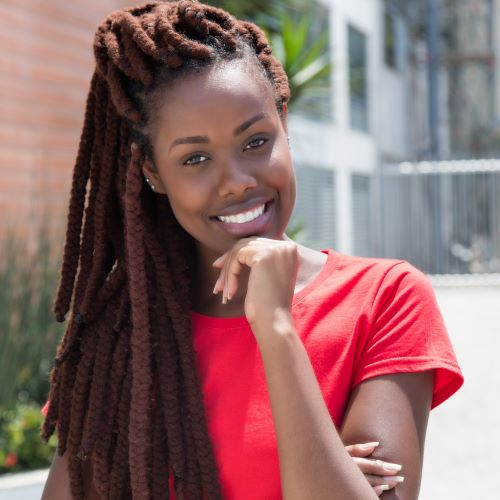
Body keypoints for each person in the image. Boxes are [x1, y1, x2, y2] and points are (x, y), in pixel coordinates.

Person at [40, 1, 464, 499]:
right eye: (195, 158)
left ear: (283, 121)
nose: (237, 182)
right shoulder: (120, 336)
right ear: (152, 171)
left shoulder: (385, 298)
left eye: (255, 141)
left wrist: (277, 329)